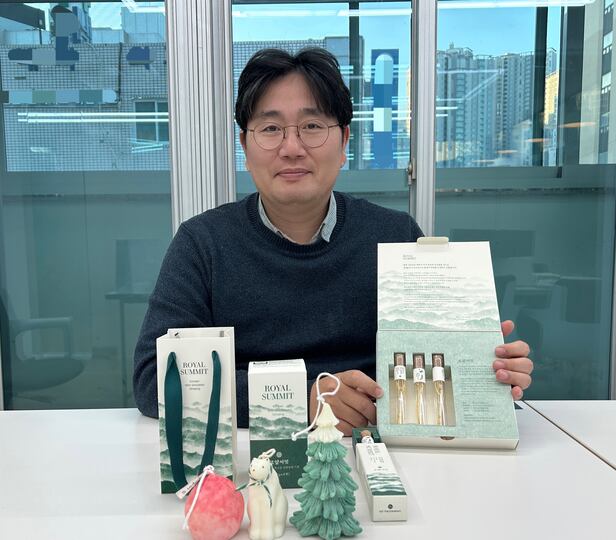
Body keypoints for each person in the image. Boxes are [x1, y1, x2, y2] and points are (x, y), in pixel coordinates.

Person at [133, 47, 533, 435]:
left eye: (312, 126)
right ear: (245, 147)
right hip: (254, 452)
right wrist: (298, 399)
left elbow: (436, 367)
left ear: (343, 142)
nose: (292, 148)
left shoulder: (396, 237)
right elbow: (154, 379)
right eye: (270, 129)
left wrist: (487, 370)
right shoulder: (203, 243)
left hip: (379, 446)